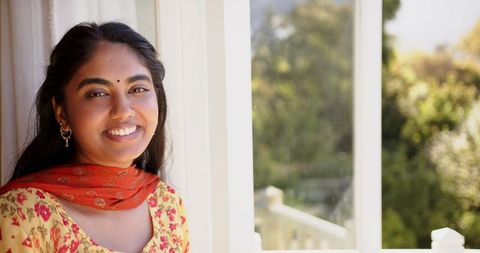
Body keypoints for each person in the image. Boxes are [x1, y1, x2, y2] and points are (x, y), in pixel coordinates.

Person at [0, 22, 189, 253]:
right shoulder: (22, 215)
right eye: (98, 93)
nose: (123, 110)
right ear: (62, 112)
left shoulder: (166, 205)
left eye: (137, 89)